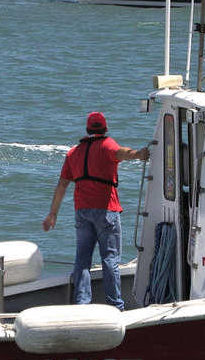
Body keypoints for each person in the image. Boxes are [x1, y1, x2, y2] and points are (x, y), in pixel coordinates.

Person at [42, 112, 149, 310]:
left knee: (82, 260)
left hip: (82, 211)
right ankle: (115, 306)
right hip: (106, 211)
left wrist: (53, 213)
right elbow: (122, 153)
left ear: (87, 130)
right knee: (110, 259)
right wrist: (139, 154)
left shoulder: (73, 152)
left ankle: (82, 303)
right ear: (105, 129)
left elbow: (62, 185)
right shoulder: (107, 144)